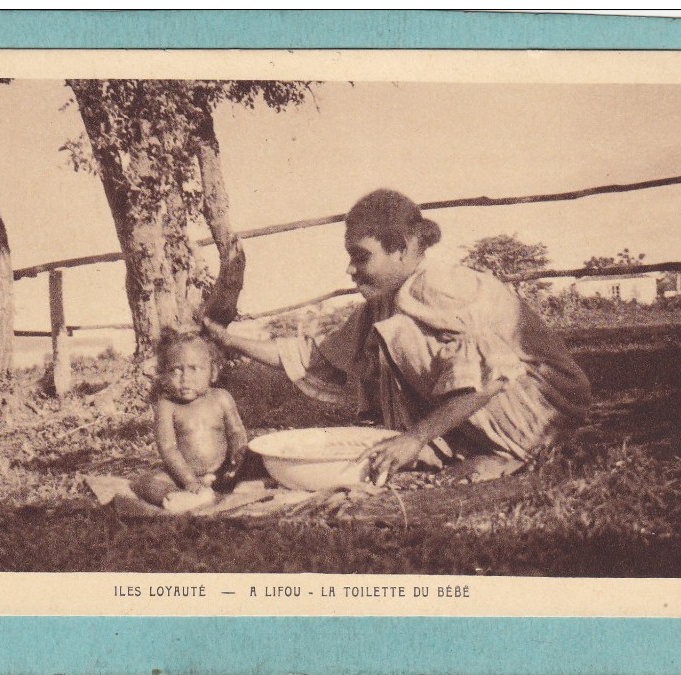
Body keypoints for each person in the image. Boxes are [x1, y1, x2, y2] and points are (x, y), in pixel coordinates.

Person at [203, 189, 592, 484]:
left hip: (542, 409)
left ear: (402, 249)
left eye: (361, 256)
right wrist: (223, 338)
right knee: (390, 335)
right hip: (505, 403)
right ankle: (464, 446)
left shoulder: (439, 288)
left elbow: (493, 375)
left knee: (401, 335)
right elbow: (315, 358)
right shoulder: (387, 300)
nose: (351, 270)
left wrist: (415, 437)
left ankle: (513, 454)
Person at [132, 329, 249, 511]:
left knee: (257, 460)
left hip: (224, 471)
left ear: (213, 372)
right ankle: (179, 497)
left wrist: (237, 455)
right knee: (147, 482)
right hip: (183, 476)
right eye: (176, 370)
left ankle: (237, 486)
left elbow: (236, 431)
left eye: (194, 369)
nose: (185, 378)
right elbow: (168, 448)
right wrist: (189, 481)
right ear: (164, 375)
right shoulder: (167, 406)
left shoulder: (221, 398)